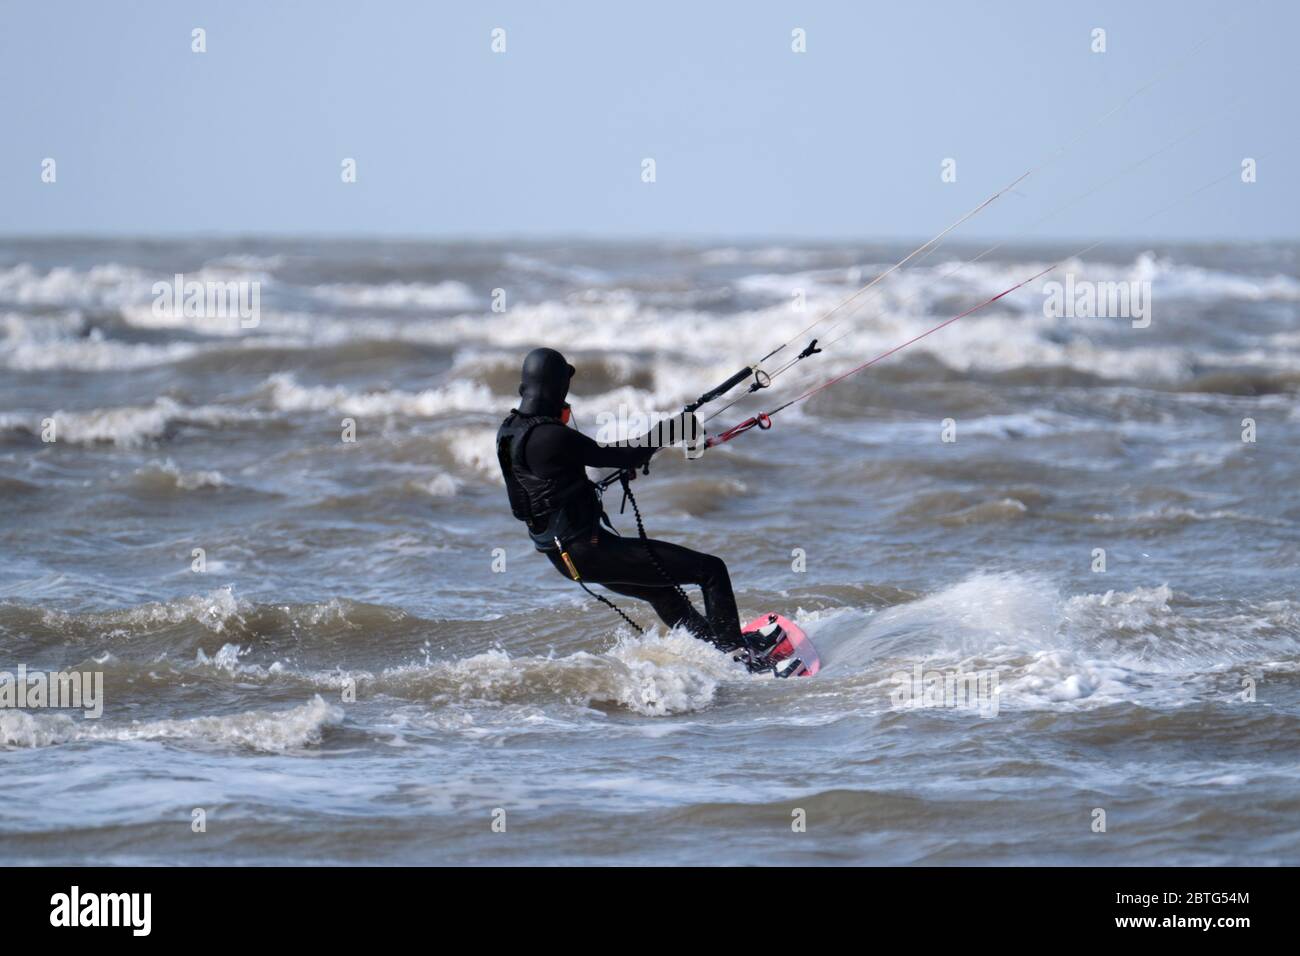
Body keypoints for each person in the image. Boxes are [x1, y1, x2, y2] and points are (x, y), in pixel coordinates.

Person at [496, 347, 747, 650]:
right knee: (711, 571)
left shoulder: (509, 432)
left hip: (565, 559)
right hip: (590, 551)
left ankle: (713, 647)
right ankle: (738, 652)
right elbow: (624, 455)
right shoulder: (553, 435)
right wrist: (670, 430)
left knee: (662, 592)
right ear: (558, 388)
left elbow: (549, 482)